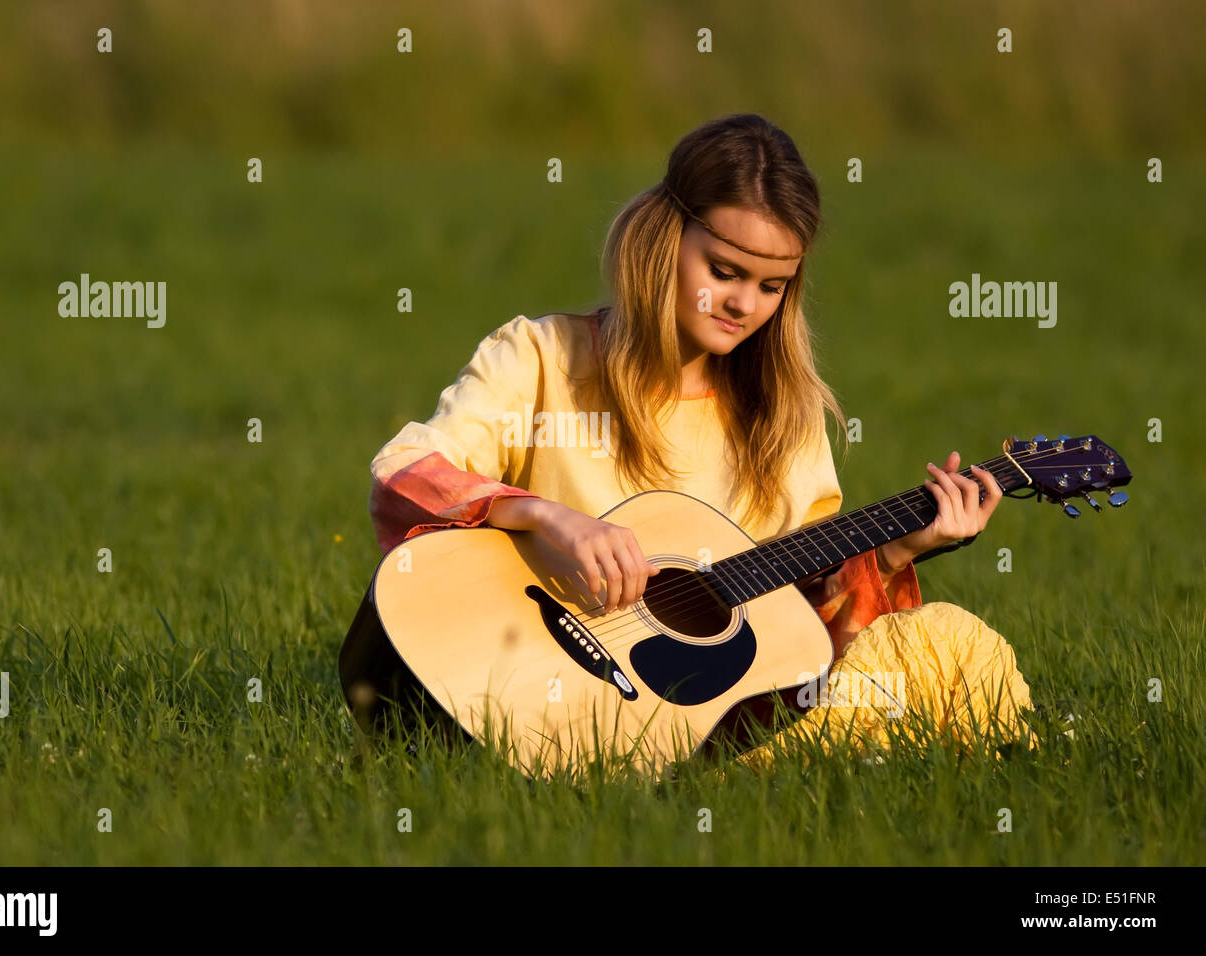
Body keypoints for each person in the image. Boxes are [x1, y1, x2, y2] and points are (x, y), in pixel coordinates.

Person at [366, 113, 1036, 771]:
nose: (744, 303)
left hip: (705, 714)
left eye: (771, 286)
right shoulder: (539, 357)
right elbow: (406, 473)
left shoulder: (783, 416)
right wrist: (543, 515)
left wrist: (895, 552)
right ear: (664, 237)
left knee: (951, 646)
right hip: (525, 667)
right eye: (723, 270)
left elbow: (802, 635)